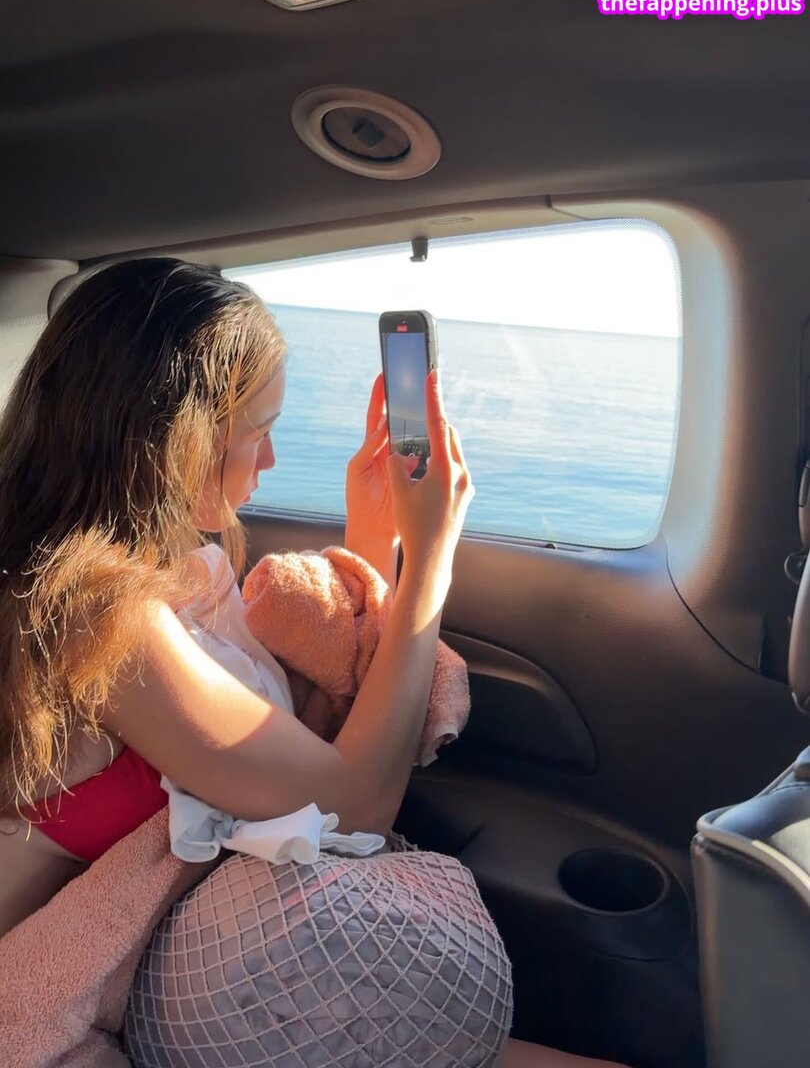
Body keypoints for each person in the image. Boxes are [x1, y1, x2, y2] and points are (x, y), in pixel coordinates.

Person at [0, 259, 625, 1068]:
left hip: (181, 969)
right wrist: (431, 561)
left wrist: (374, 539)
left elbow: (283, 736)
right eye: (258, 430)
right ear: (176, 438)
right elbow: (352, 808)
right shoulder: (91, 616)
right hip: (79, 1002)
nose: (269, 461)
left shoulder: (154, 571)